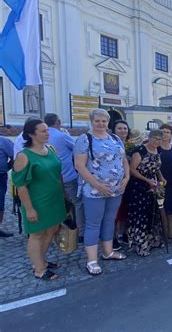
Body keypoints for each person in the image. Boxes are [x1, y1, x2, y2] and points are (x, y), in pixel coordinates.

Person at [74, 109, 129, 276]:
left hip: (116, 189)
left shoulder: (115, 139)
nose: (101, 124)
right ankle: (92, 261)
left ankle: (108, 252)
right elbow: (80, 166)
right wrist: (97, 185)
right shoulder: (85, 139)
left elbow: (123, 160)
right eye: (97, 121)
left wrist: (126, 178)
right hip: (94, 190)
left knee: (109, 220)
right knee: (93, 223)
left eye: (104, 121)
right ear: (92, 121)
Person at [12, 119, 66, 280]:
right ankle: (39, 269)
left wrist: (64, 195)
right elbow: (20, 185)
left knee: (51, 230)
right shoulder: (24, 156)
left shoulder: (51, 149)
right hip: (37, 202)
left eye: (47, 130)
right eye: (43, 131)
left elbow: (58, 174)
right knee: (37, 234)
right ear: (31, 134)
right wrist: (29, 209)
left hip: (54, 199)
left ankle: (41, 260)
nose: (47, 133)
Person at [44, 113, 85, 242]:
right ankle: (81, 232)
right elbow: (77, 149)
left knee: (54, 204)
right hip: (67, 176)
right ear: (58, 122)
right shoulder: (62, 136)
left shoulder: (41, 136)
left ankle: (50, 232)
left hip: (49, 178)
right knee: (77, 202)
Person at [125, 130, 166, 256]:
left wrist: (161, 178)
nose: (157, 141)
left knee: (152, 214)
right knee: (140, 216)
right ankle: (140, 245)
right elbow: (132, 170)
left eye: (160, 139)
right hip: (139, 186)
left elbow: (157, 168)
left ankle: (153, 241)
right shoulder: (140, 151)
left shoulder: (157, 151)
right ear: (149, 137)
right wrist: (147, 180)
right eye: (155, 138)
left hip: (152, 186)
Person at [111, 119, 132, 250]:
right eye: (119, 128)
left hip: (128, 181)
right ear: (113, 130)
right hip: (115, 182)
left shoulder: (129, 144)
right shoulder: (110, 143)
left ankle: (123, 233)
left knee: (125, 210)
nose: (123, 131)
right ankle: (112, 237)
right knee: (114, 212)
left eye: (125, 128)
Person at [158, 124, 172, 239]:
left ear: (171, 135)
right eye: (163, 131)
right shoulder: (156, 148)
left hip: (171, 181)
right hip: (159, 181)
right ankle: (163, 227)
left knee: (170, 206)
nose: (165, 134)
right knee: (161, 206)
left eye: (167, 132)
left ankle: (170, 227)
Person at [0, 135, 14, 237]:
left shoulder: (4, 141)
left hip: (0, 176)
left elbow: (16, 155)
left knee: (0, 202)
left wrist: (6, 168)